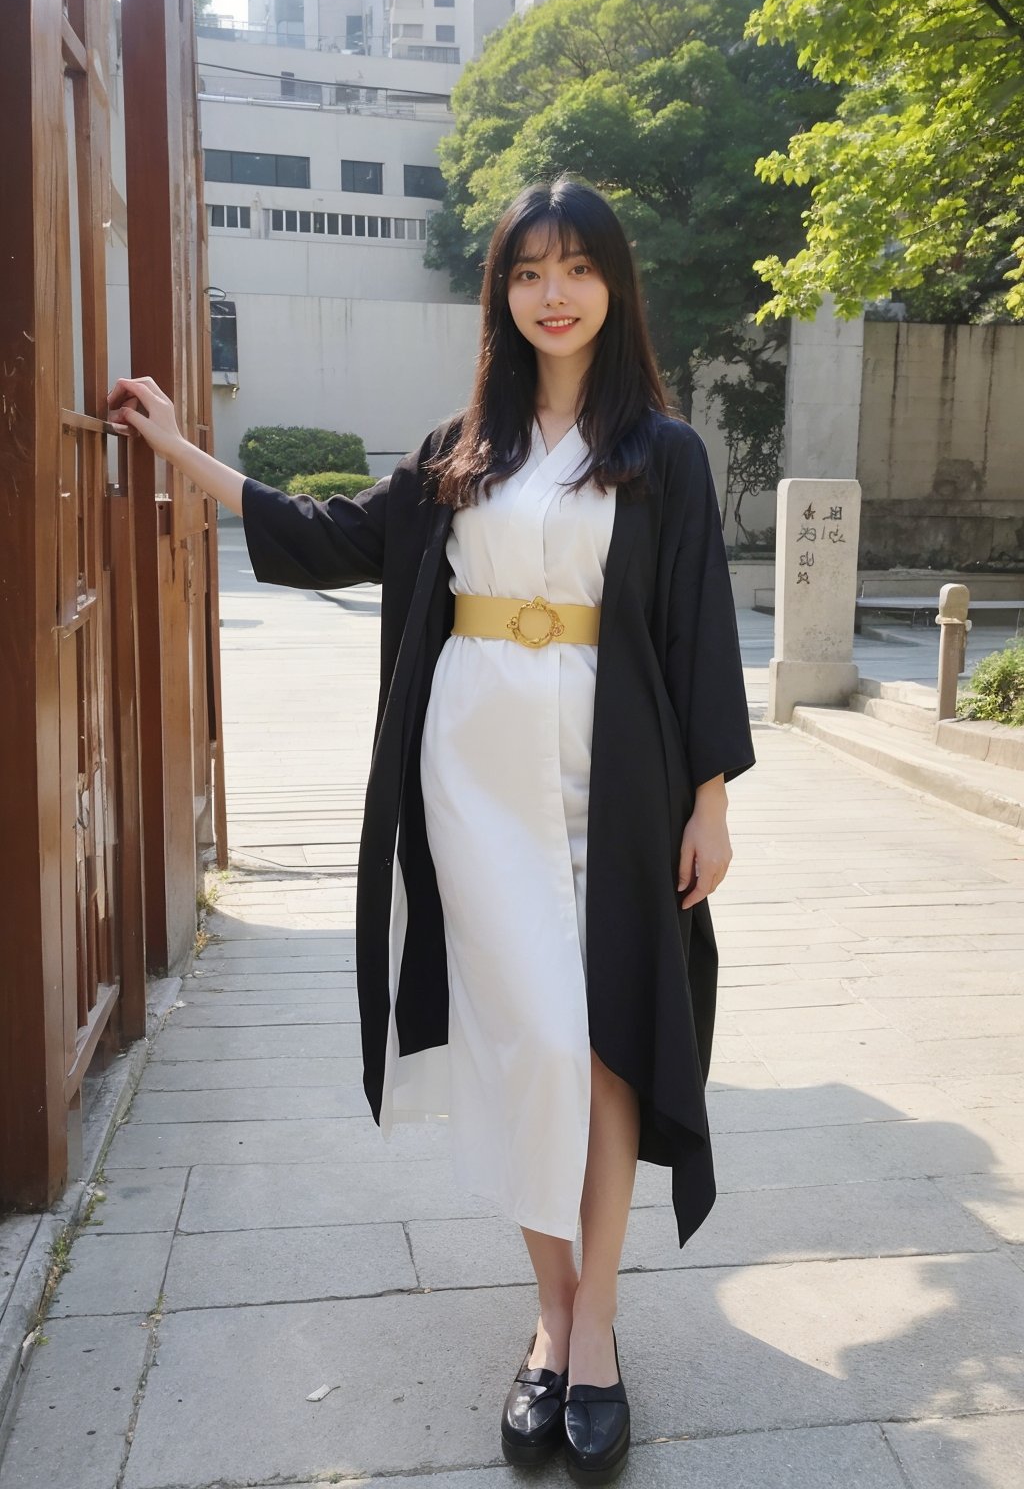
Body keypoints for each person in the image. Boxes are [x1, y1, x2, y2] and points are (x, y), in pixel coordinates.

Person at [106, 174, 754, 1485]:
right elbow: (330, 534)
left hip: (614, 777)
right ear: (502, 296)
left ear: (613, 287)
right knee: (527, 1046)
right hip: (476, 778)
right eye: (528, 272)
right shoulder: (466, 447)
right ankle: (551, 1310)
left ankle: (600, 1331)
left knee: (611, 1038)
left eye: (576, 268)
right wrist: (178, 446)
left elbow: (698, 634)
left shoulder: (664, 456)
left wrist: (711, 801)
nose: (553, 292)